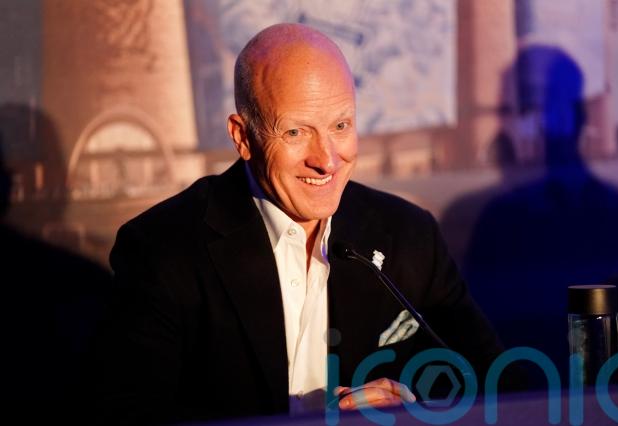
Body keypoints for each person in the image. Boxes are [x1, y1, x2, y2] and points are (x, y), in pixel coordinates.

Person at [92, 23, 508, 424]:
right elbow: (125, 414)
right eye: (295, 132)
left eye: (340, 126)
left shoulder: (409, 236)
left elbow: (502, 389)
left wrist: (411, 412)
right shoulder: (163, 250)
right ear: (243, 137)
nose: (326, 159)